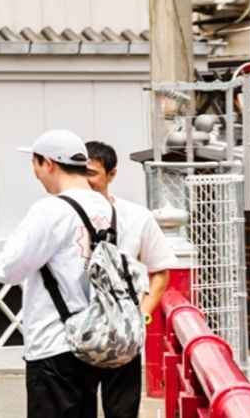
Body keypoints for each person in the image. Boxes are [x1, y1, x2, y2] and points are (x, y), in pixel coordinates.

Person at [0, 129, 113, 418]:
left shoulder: (50, 210)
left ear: (48, 163)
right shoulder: (106, 207)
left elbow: (6, 270)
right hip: (95, 339)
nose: (35, 174)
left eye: (35, 164)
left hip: (54, 344)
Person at [85, 140, 176, 418]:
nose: (85, 181)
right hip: (78, 329)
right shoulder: (60, 213)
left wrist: (142, 314)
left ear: (112, 175)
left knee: (122, 411)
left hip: (123, 331)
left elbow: (160, 270)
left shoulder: (136, 216)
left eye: (92, 173)